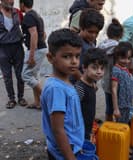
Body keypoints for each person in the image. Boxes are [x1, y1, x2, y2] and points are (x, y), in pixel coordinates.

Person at [41, 28, 84, 160]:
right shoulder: (56, 89)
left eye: (77, 56)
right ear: (50, 58)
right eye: (67, 56)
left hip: (71, 147)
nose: (74, 61)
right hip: (64, 153)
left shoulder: (65, 80)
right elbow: (58, 130)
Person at [20, 0, 47, 110]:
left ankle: (47, 99)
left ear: (22, 4)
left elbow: (34, 34)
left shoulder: (28, 16)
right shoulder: (36, 15)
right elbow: (43, 34)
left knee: (25, 75)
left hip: (36, 49)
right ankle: (38, 103)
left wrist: (31, 55)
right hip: (40, 48)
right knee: (34, 76)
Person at [74, 48, 107, 140]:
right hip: (79, 129)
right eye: (94, 67)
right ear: (84, 68)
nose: (99, 71)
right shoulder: (80, 88)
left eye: (102, 68)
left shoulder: (92, 83)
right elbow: (72, 111)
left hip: (87, 126)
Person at [0, 0, 27, 109]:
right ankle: (11, 99)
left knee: (20, 74)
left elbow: (25, 26)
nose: (11, 1)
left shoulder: (17, 12)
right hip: (2, 48)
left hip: (17, 47)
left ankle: (21, 97)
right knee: (7, 75)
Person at [97, 18, 123, 121]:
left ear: (108, 34)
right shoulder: (118, 47)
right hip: (116, 81)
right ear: (121, 35)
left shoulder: (102, 45)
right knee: (117, 105)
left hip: (106, 81)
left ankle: (108, 124)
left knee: (109, 107)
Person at [71, 8, 104, 82]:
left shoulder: (92, 42)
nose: (93, 35)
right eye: (90, 32)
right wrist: (85, 82)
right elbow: (74, 68)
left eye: (96, 33)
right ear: (81, 28)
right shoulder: (77, 44)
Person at [111, 42, 133, 124]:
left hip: (128, 104)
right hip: (121, 106)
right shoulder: (116, 70)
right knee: (120, 126)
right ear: (117, 56)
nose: (126, 61)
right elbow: (114, 89)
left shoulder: (125, 68)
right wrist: (116, 109)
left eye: (129, 58)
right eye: (123, 58)